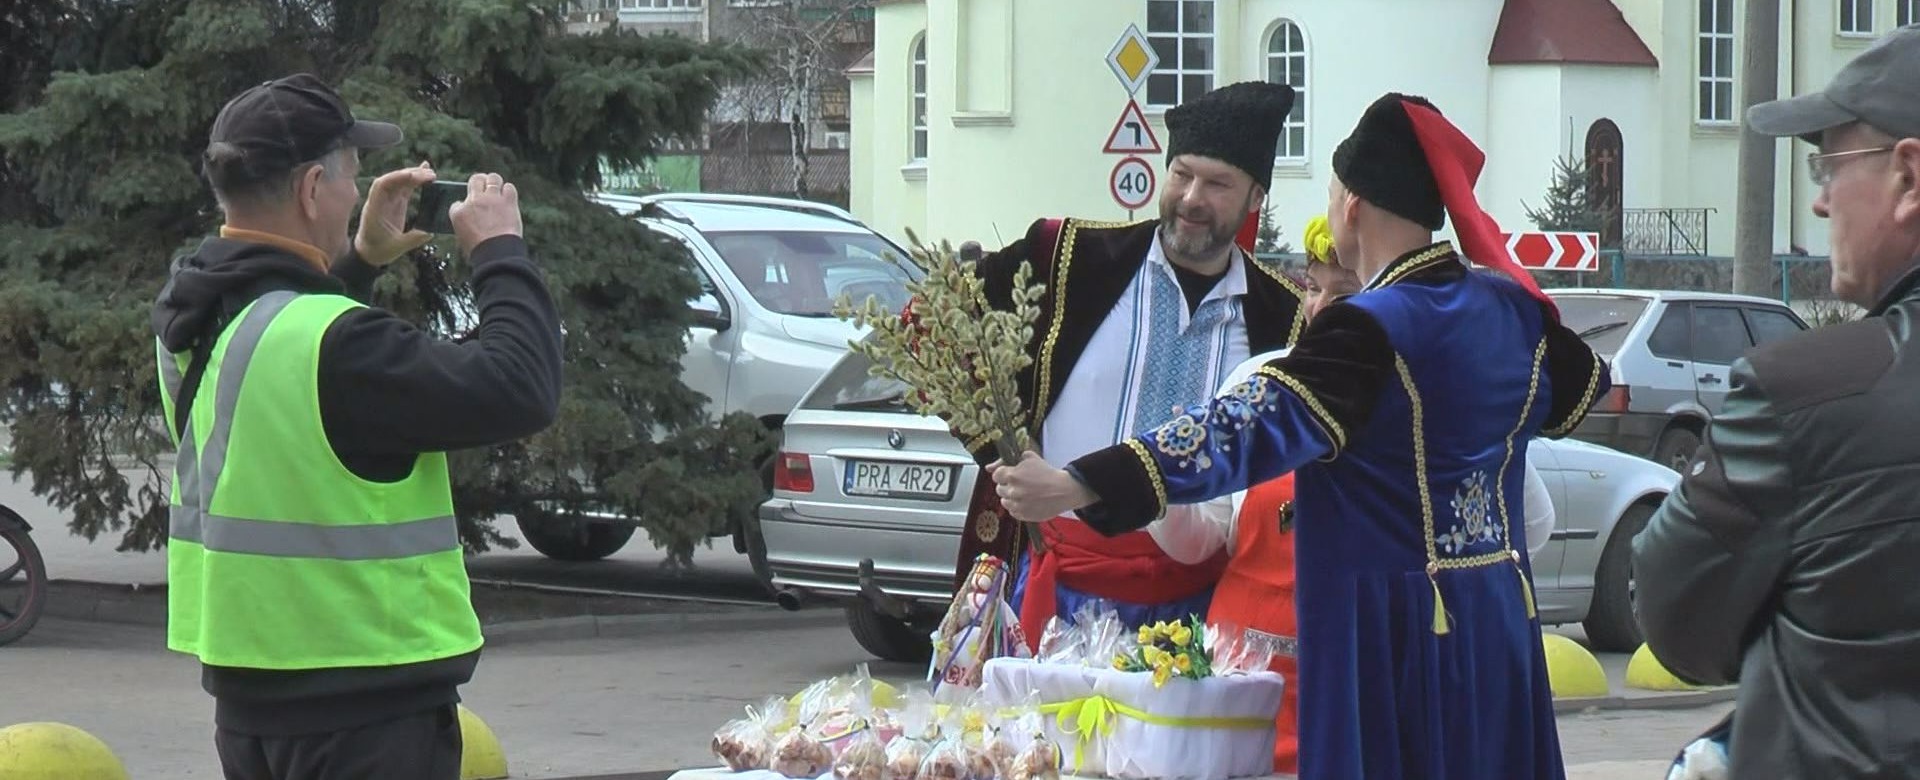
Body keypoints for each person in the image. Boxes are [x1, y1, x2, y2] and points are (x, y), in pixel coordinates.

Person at [989, 92, 1609, 779]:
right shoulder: (1510, 312)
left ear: (1351, 206)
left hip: (1394, 632)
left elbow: (1239, 428)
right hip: (1497, 624)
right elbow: (1584, 388)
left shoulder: (1369, 329)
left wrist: (1078, 482)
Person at [152, 73, 563, 779]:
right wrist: (499, 252)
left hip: (251, 707)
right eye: (350, 174)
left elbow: (297, 376)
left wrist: (360, 259)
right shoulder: (339, 343)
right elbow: (521, 387)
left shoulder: (194, 317)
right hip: (367, 709)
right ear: (313, 189)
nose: (356, 192)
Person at [1151, 215, 1559, 777]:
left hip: (1361, 682)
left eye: (1343, 296)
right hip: (1241, 695)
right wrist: (1166, 489)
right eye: (1312, 288)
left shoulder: (1432, 397)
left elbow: (1527, 523)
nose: (1319, 310)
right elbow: (1201, 538)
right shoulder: (1260, 378)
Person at [1633, 24, 1920, 779]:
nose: (1820, 203)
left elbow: (1676, 620)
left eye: (1829, 165)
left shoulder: (1800, 393)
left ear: (1908, 177)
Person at [941, 81, 1309, 646]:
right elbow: (937, 324)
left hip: (1203, 610)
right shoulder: (1068, 258)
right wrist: (1010, 449)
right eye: (1181, 174)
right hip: (1061, 592)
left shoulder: (1283, 318)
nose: (1191, 198)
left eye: (1217, 184)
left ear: (1255, 197)